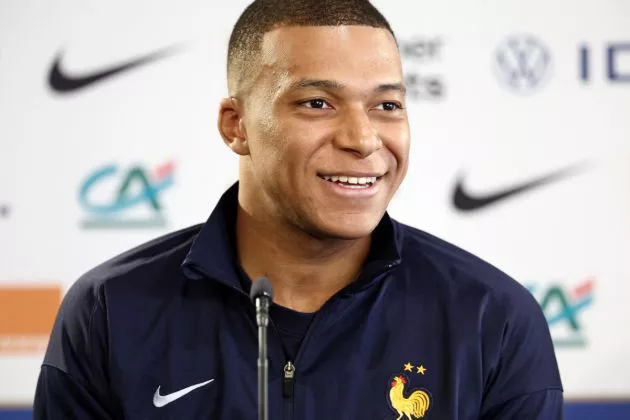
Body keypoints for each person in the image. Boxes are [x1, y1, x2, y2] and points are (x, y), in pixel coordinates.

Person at [33, 0, 563, 418]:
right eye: (317, 103)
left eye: (387, 105)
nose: (363, 139)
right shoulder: (110, 310)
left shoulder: (493, 318)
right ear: (235, 125)